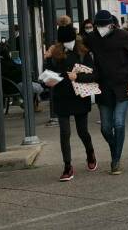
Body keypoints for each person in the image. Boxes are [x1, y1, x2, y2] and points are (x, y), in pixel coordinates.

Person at [82, 10, 128, 175]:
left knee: (119, 123)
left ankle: (115, 160)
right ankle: (116, 149)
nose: (100, 28)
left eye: (103, 25)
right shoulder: (92, 38)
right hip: (104, 89)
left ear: (111, 24)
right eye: (98, 25)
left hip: (124, 87)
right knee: (106, 128)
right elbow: (78, 47)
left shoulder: (124, 36)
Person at [43, 25, 97, 181]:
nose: (66, 44)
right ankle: (67, 166)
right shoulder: (55, 52)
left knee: (82, 131)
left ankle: (90, 153)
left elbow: (92, 75)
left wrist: (77, 77)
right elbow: (48, 74)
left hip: (79, 96)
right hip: (61, 97)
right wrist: (47, 62)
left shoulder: (83, 52)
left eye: (69, 41)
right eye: (63, 41)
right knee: (64, 133)